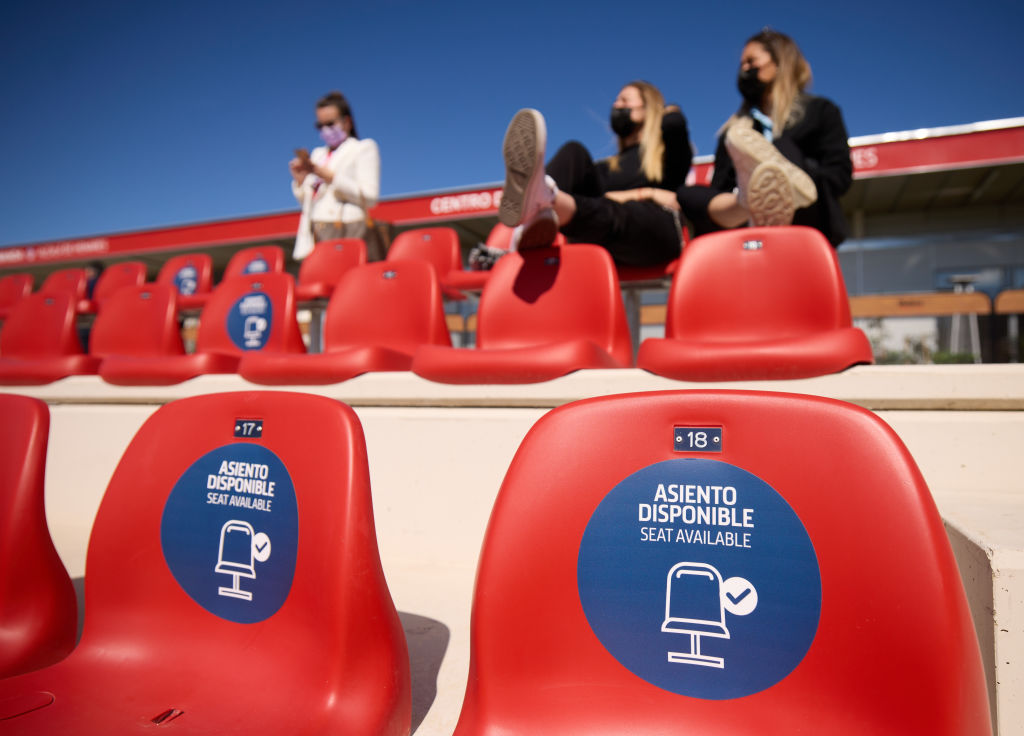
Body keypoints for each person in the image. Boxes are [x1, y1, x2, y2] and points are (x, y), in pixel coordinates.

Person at [677, 29, 853, 246]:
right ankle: (749, 201)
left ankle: (781, 184)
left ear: (779, 63)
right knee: (686, 195)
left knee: (782, 147)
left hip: (807, 221)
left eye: (751, 61)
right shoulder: (733, 131)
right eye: (742, 64)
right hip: (742, 218)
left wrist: (797, 175)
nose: (744, 69)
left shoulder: (819, 112)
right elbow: (719, 186)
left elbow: (839, 175)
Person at [498, 81, 692, 267]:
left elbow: (674, 122)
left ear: (648, 108)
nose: (616, 106)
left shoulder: (668, 154)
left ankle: (543, 198)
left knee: (614, 211)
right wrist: (643, 194)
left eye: (624, 101)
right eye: (616, 102)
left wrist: (641, 195)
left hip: (653, 236)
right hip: (599, 232)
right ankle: (537, 205)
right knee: (574, 152)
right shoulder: (607, 167)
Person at [289, 91, 381, 260]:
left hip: (347, 231)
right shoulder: (317, 155)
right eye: (320, 125)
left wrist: (331, 178)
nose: (325, 130)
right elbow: (309, 204)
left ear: (347, 121)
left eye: (330, 123)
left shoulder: (363, 148)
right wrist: (300, 182)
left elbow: (370, 197)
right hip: (314, 235)